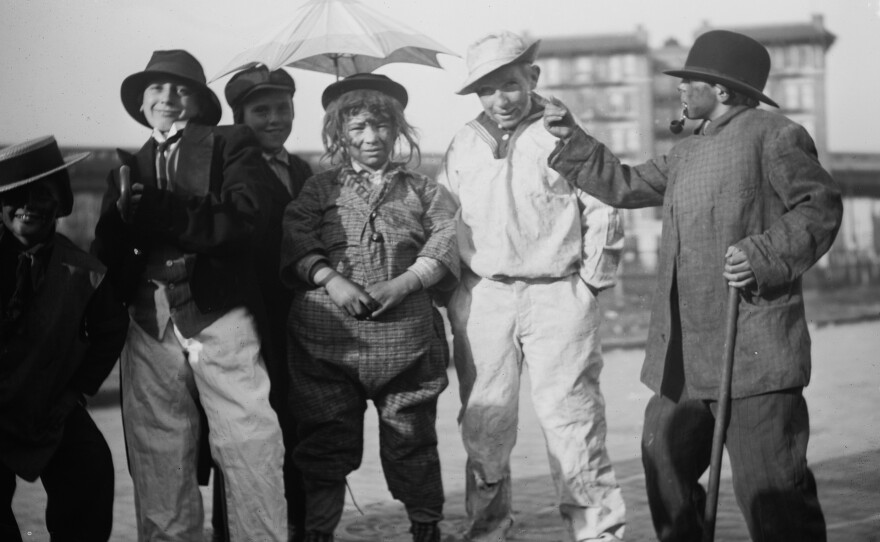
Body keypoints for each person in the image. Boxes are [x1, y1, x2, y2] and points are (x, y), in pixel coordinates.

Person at [544, 30, 841, 541]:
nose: (681, 90)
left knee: (772, 490)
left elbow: (820, 206)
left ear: (722, 90)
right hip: (680, 359)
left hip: (752, 352)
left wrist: (763, 254)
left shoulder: (775, 135)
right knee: (663, 464)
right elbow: (625, 183)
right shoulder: (685, 153)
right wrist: (573, 137)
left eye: (690, 81)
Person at [437, 31, 626, 542]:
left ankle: (598, 532)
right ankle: (489, 532)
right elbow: (445, 219)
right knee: (484, 424)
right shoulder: (461, 143)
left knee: (573, 421)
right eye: (488, 89)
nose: (501, 99)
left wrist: (591, 283)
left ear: (533, 79)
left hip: (557, 293)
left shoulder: (563, 134)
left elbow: (604, 208)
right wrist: (455, 290)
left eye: (511, 85)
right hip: (484, 296)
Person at [91, 49, 287, 541]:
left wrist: (161, 209)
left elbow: (245, 221)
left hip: (218, 313)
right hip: (149, 319)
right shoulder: (131, 162)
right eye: (156, 89)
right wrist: (117, 220)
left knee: (249, 441)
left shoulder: (229, 143)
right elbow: (108, 251)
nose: (167, 98)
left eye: (181, 90)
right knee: (158, 451)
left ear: (199, 104)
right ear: (141, 102)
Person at [280, 73, 459, 542]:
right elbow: (297, 233)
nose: (370, 138)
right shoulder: (319, 190)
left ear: (397, 130)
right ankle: (319, 532)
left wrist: (405, 283)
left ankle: (426, 525)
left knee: (413, 437)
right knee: (324, 437)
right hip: (327, 343)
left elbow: (446, 234)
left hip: (407, 342)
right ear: (339, 135)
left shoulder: (422, 189)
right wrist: (331, 279)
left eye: (380, 126)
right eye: (357, 128)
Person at [0, 136, 129, 541]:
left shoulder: (84, 271)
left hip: (45, 403)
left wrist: (72, 393)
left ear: (61, 204)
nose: (29, 205)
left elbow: (111, 330)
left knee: (90, 466)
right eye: (16, 195)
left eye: (43, 194)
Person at [224, 64, 313, 542]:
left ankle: (296, 525)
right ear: (239, 117)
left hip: (298, 321)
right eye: (261, 110)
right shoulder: (231, 169)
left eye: (283, 107)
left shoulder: (302, 169)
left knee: (298, 424)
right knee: (248, 431)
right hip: (250, 318)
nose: (275, 118)